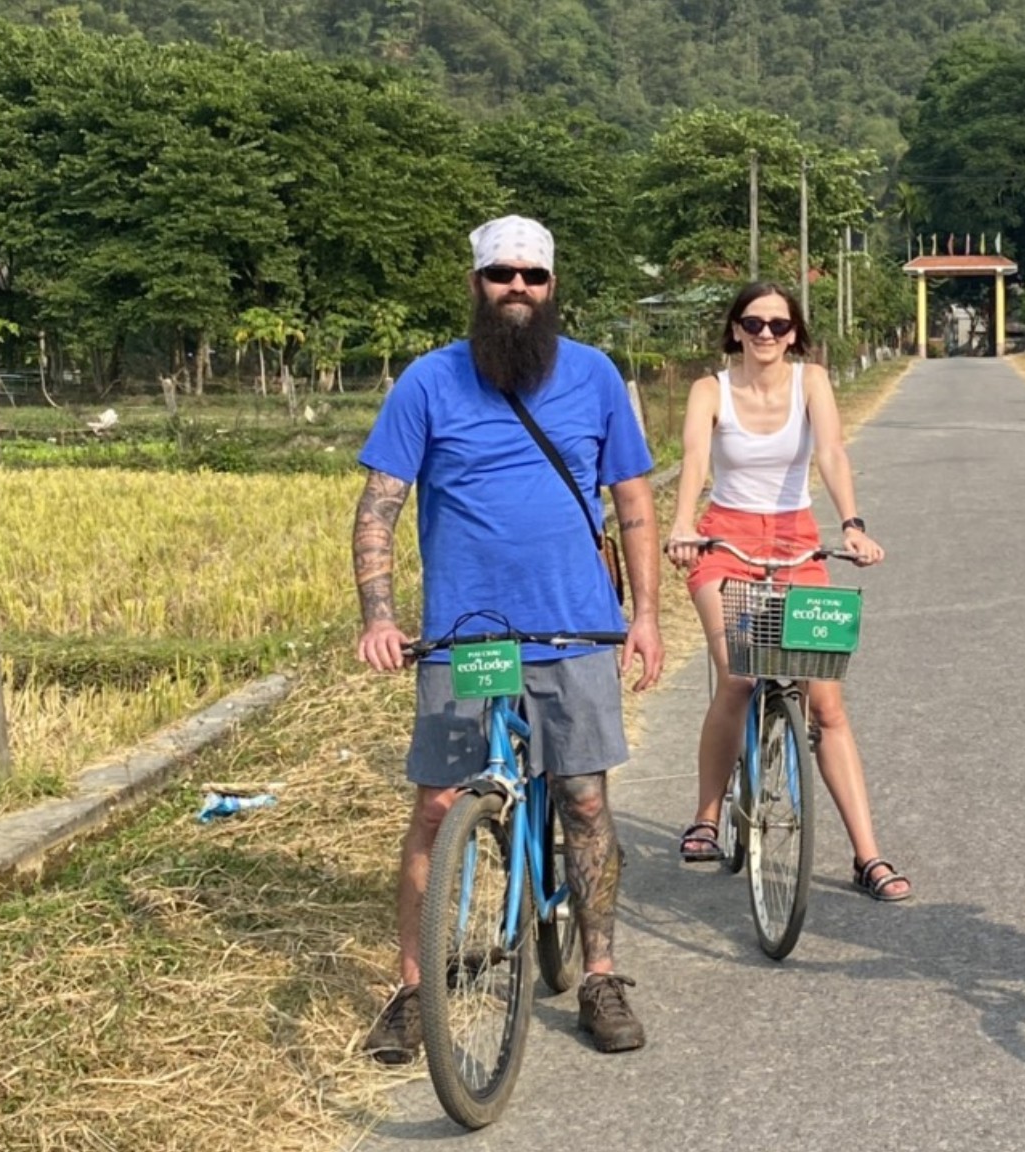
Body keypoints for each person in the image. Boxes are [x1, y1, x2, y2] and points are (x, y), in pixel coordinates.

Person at [352, 215, 665, 1062]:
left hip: (573, 630)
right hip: (465, 641)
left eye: (532, 275)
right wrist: (380, 616)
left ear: (553, 286)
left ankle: (599, 973)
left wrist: (644, 616)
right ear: (477, 284)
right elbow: (380, 504)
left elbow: (634, 503)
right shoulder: (428, 381)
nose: (517, 289)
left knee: (587, 800)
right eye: (501, 275)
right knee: (438, 806)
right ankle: (417, 990)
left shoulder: (595, 376)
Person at [664, 283, 912, 902]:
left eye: (779, 325)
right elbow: (696, 458)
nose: (766, 334)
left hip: (797, 542)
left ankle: (868, 855)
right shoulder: (709, 390)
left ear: (795, 333)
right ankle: (708, 815)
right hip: (726, 542)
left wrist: (851, 524)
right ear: (735, 331)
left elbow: (830, 451)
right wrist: (683, 525)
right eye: (754, 323)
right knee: (739, 675)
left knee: (826, 704)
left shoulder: (813, 383)